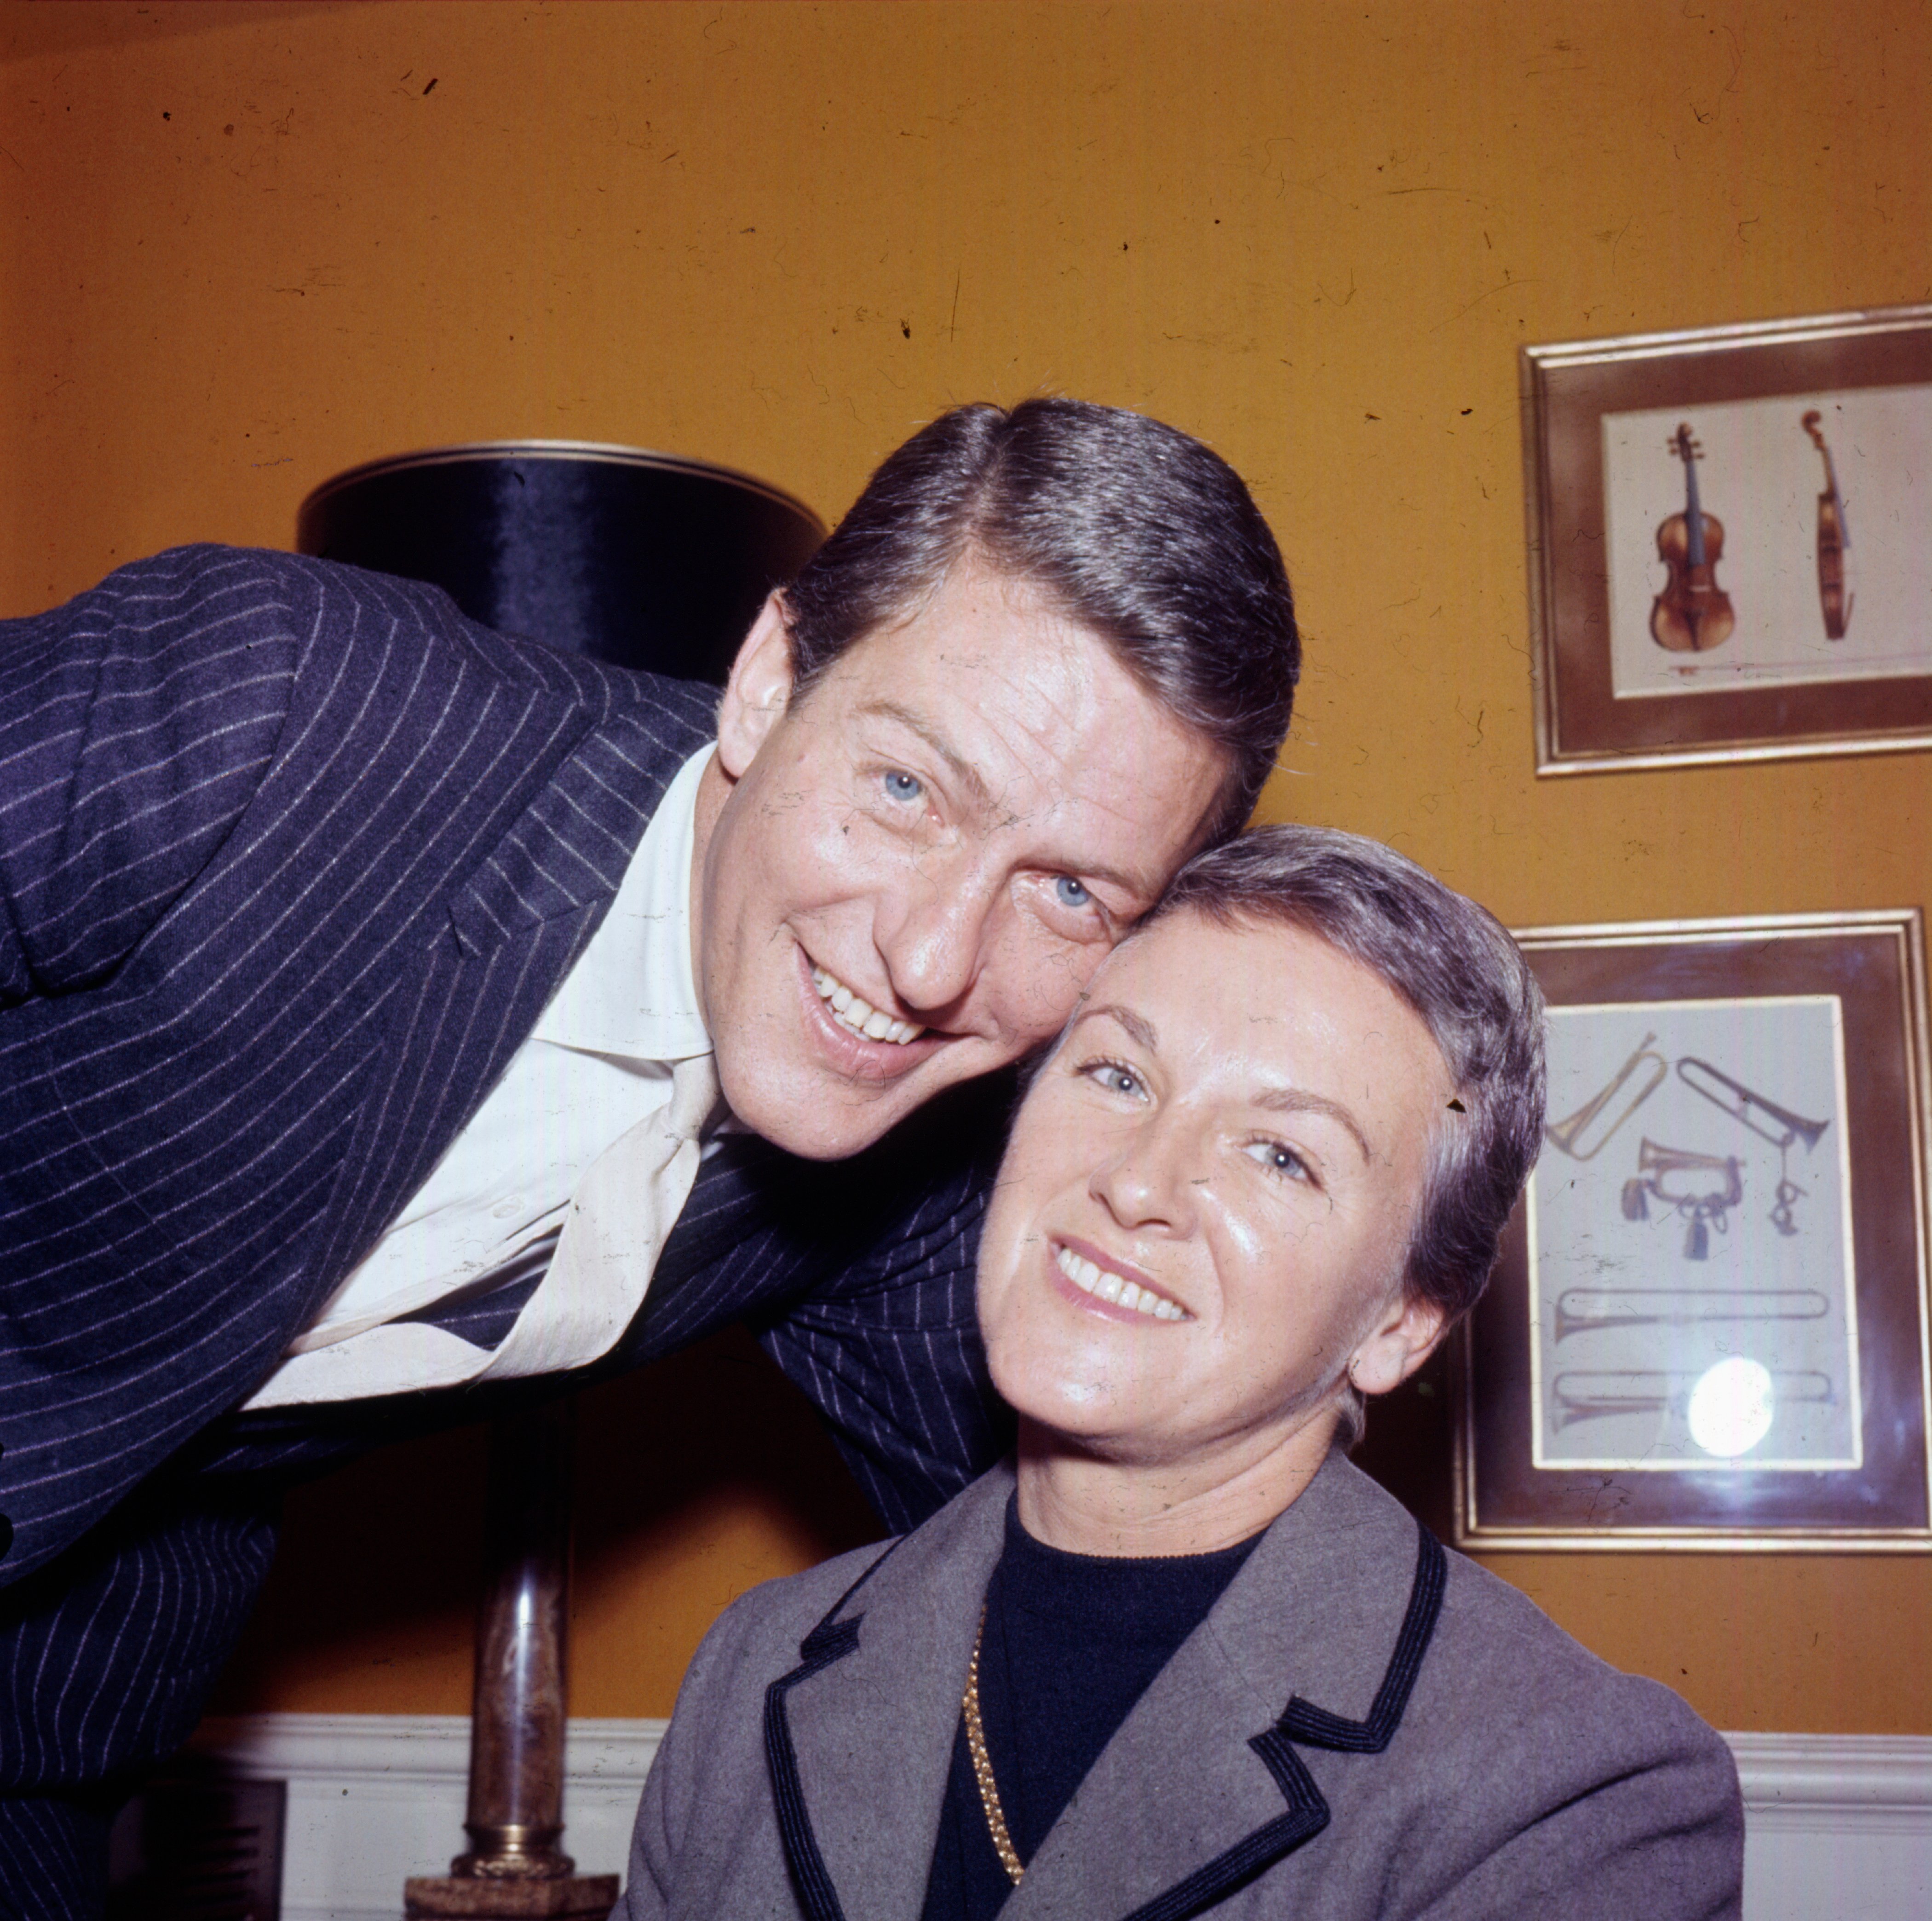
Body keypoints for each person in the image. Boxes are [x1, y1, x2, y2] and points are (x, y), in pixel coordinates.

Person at [0, 398, 1300, 1913]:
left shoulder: (902, 1185)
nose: (934, 958)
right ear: (762, 683)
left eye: (1070, 891)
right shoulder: (287, 708)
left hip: (40, 1725)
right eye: (906, 788)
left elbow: (1081, 1557)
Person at [620, 825, 1745, 1921]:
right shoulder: (757, 1665)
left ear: (1400, 1324)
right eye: (1116, 1074)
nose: (1139, 1182)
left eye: (1281, 1156)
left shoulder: (1569, 1796)